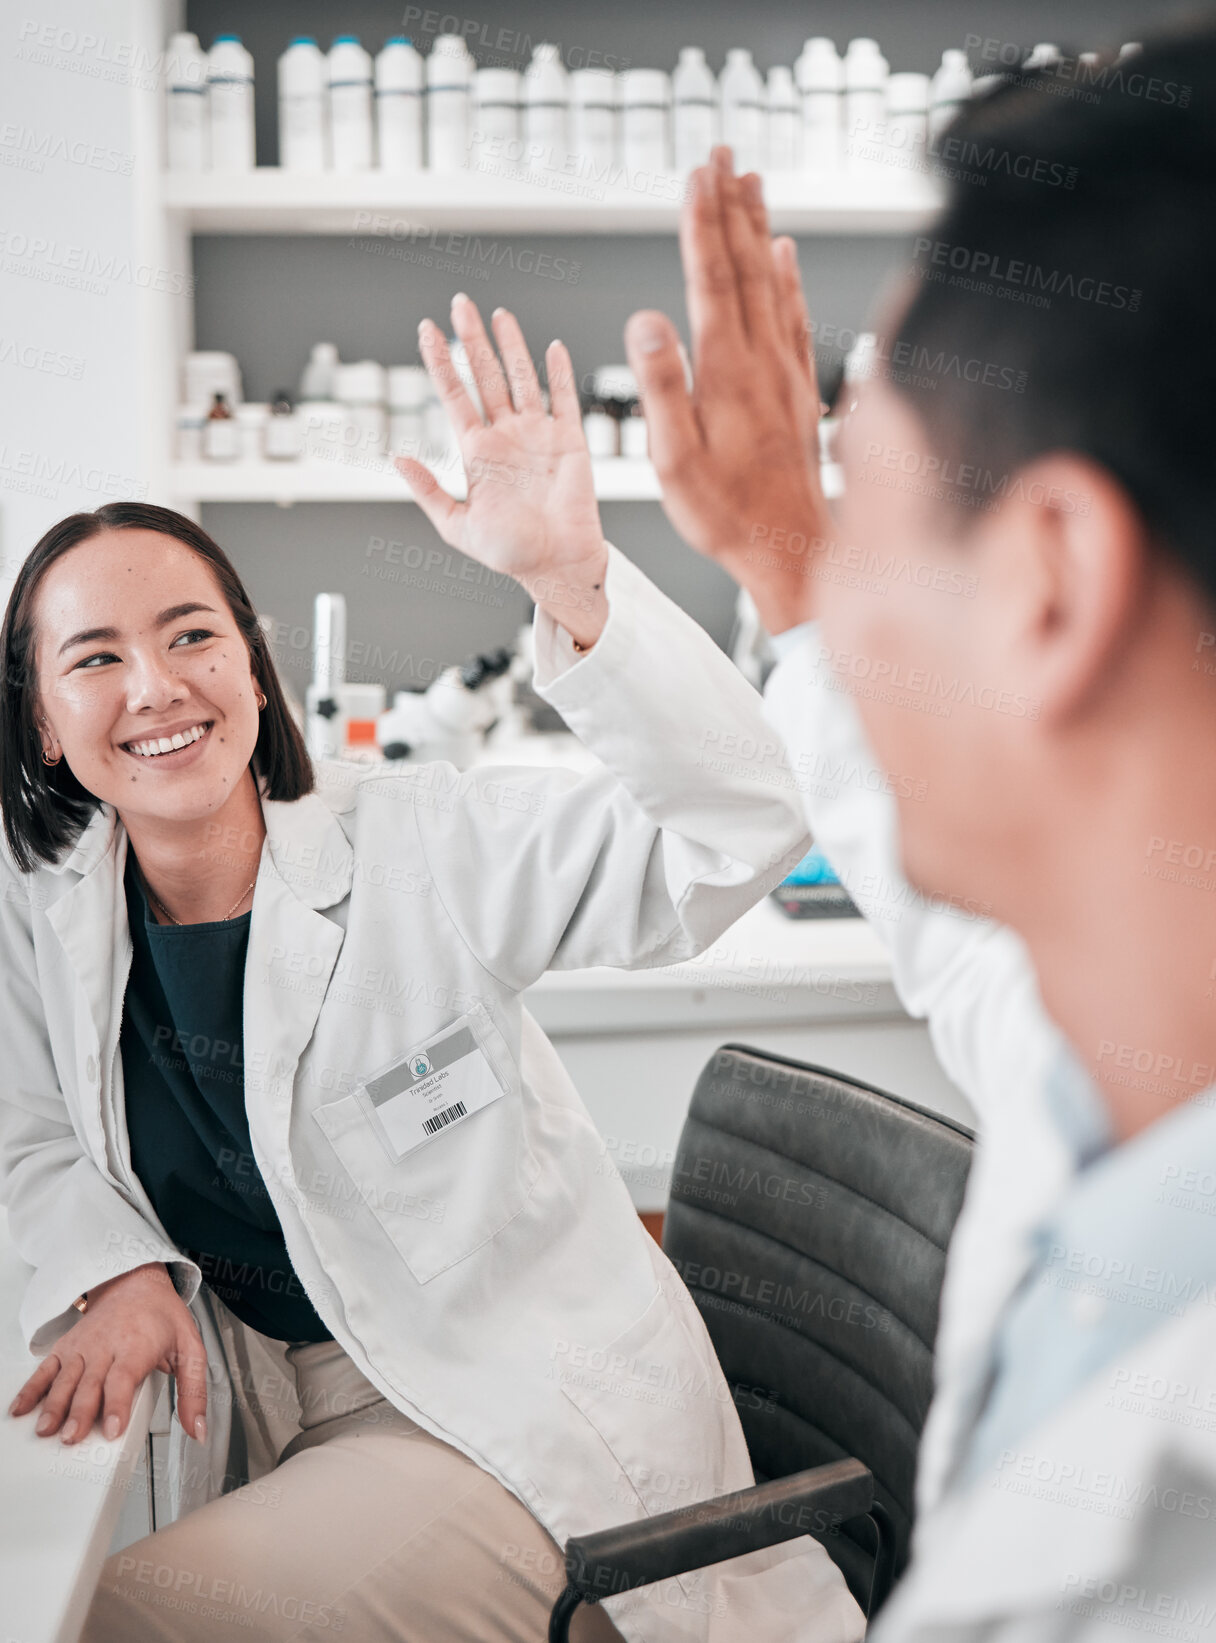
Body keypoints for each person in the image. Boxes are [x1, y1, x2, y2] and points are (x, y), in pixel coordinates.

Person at [0, 302, 862, 1642]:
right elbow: (31, 1124)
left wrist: (572, 583)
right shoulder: (43, 913)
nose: (154, 688)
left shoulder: (420, 845)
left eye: (190, 636)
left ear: (252, 661)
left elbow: (738, 829)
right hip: (270, 1392)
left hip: (505, 1413)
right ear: (46, 727)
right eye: (94, 660)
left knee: (135, 1619)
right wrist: (110, 1273)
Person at [624, 24, 1216, 1640]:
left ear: (1051, 587)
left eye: (860, 503)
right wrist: (782, 551)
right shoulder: (1115, 1035)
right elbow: (960, 930)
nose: (832, 581)